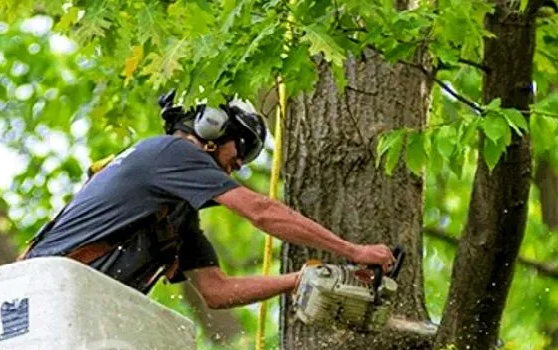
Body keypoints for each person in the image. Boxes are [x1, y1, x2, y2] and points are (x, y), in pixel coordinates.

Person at [21, 91, 395, 308]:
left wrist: (301, 279)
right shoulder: (169, 152)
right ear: (212, 127)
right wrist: (353, 251)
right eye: (241, 149)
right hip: (38, 294)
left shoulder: (174, 218)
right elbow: (261, 211)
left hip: (74, 304)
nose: (236, 166)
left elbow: (216, 291)